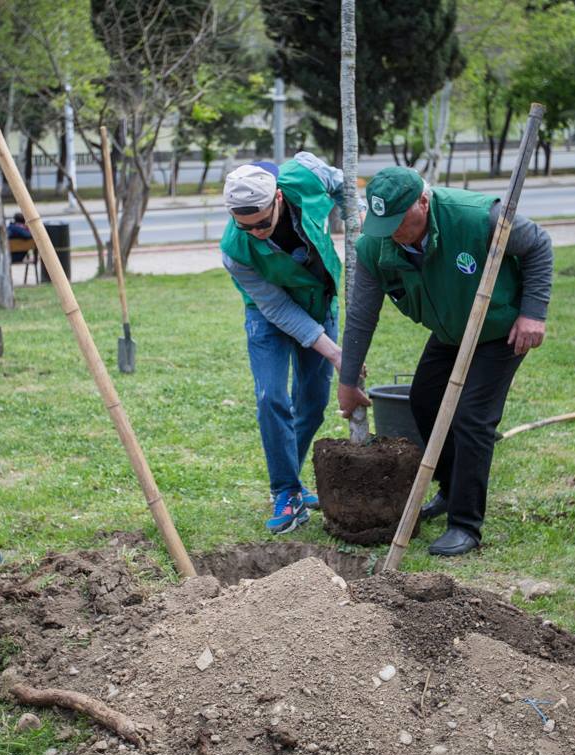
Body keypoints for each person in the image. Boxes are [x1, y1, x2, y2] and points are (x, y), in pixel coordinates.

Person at [337, 166, 553, 557]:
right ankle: (451, 490)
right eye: (384, 223)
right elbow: (362, 315)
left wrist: (533, 313)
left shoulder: (476, 217)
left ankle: (465, 524)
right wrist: (348, 381)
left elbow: (538, 244)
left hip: (498, 328)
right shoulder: (374, 246)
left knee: (472, 417)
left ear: (424, 201)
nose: (391, 233)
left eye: (399, 221)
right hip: (451, 330)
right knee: (424, 399)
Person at [221, 153, 351, 534]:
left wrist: (357, 217)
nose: (256, 233)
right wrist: (334, 352)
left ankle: (291, 481)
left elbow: (342, 184)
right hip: (268, 315)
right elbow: (277, 307)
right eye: (245, 226)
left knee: (312, 401)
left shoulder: (306, 176)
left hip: (318, 300)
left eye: (262, 223)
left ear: (278, 198)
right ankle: (286, 490)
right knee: (271, 396)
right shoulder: (234, 249)